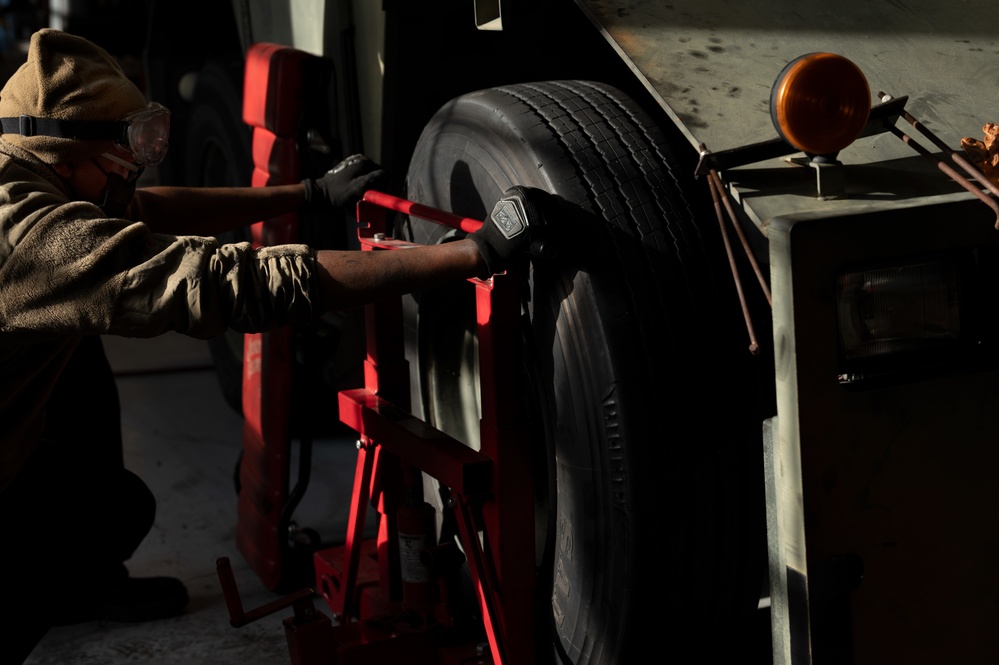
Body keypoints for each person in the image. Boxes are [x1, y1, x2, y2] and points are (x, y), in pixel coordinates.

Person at [0, 28, 545, 663]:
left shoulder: (31, 168)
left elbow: (143, 210)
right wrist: (466, 255)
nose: (126, 181)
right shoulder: (30, 240)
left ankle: (68, 591)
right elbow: (230, 285)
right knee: (104, 518)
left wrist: (307, 194)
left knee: (103, 480)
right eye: (114, 165)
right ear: (62, 155)